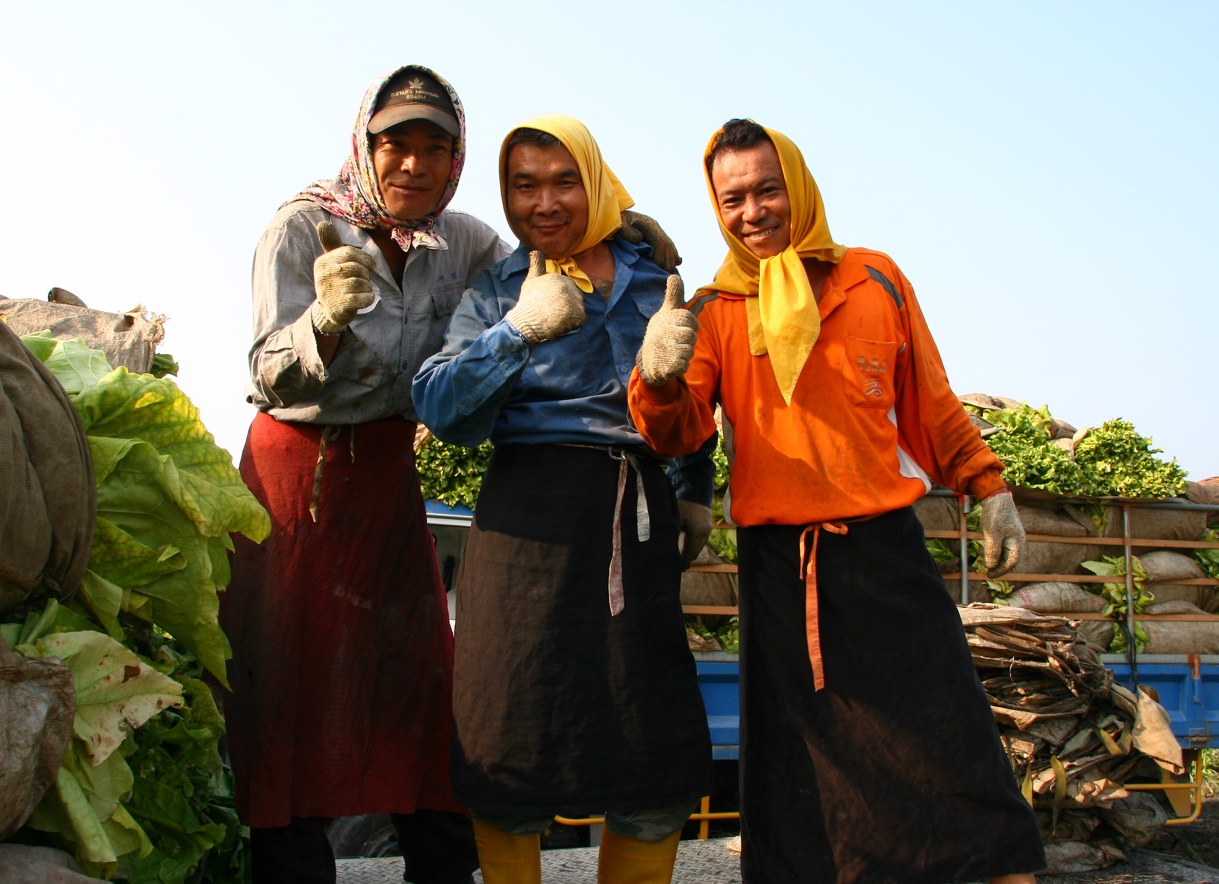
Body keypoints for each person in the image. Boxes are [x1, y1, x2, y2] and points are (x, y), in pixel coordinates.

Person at [223, 65, 683, 883]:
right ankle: (291, 870)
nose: (414, 166)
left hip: (388, 478)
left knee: (424, 685)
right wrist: (324, 320)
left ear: (457, 159)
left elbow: (554, 266)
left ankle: (439, 867)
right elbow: (268, 374)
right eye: (395, 146)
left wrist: (625, 234)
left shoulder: (466, 242)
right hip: (300, 474)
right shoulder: (300, 227)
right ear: (366, 146)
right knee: (291, 684)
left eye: (435, 149)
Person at [627, 119, 1046, 883]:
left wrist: (989, 486)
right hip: (783, 574)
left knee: (949, 736)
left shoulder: (874, 279)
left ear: (799, 187)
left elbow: (931, 402)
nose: (751, 212)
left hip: (885, 554)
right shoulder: (719, 308)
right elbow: (681, 433)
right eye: (732, 199)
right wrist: (656, 376)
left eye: (766, 190)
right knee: (802, 771)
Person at [411, 115, 715, 884]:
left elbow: (698, 404)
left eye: (563, 181)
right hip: (525, 526)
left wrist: (692, 491)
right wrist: (516, 332)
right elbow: (442, 409)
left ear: (597, 182)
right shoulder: (498, 289)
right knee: (506, 738)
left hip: (633, 520)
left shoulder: (659, 280)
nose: (544, 202)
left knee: (650, 746)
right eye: (524, 185)